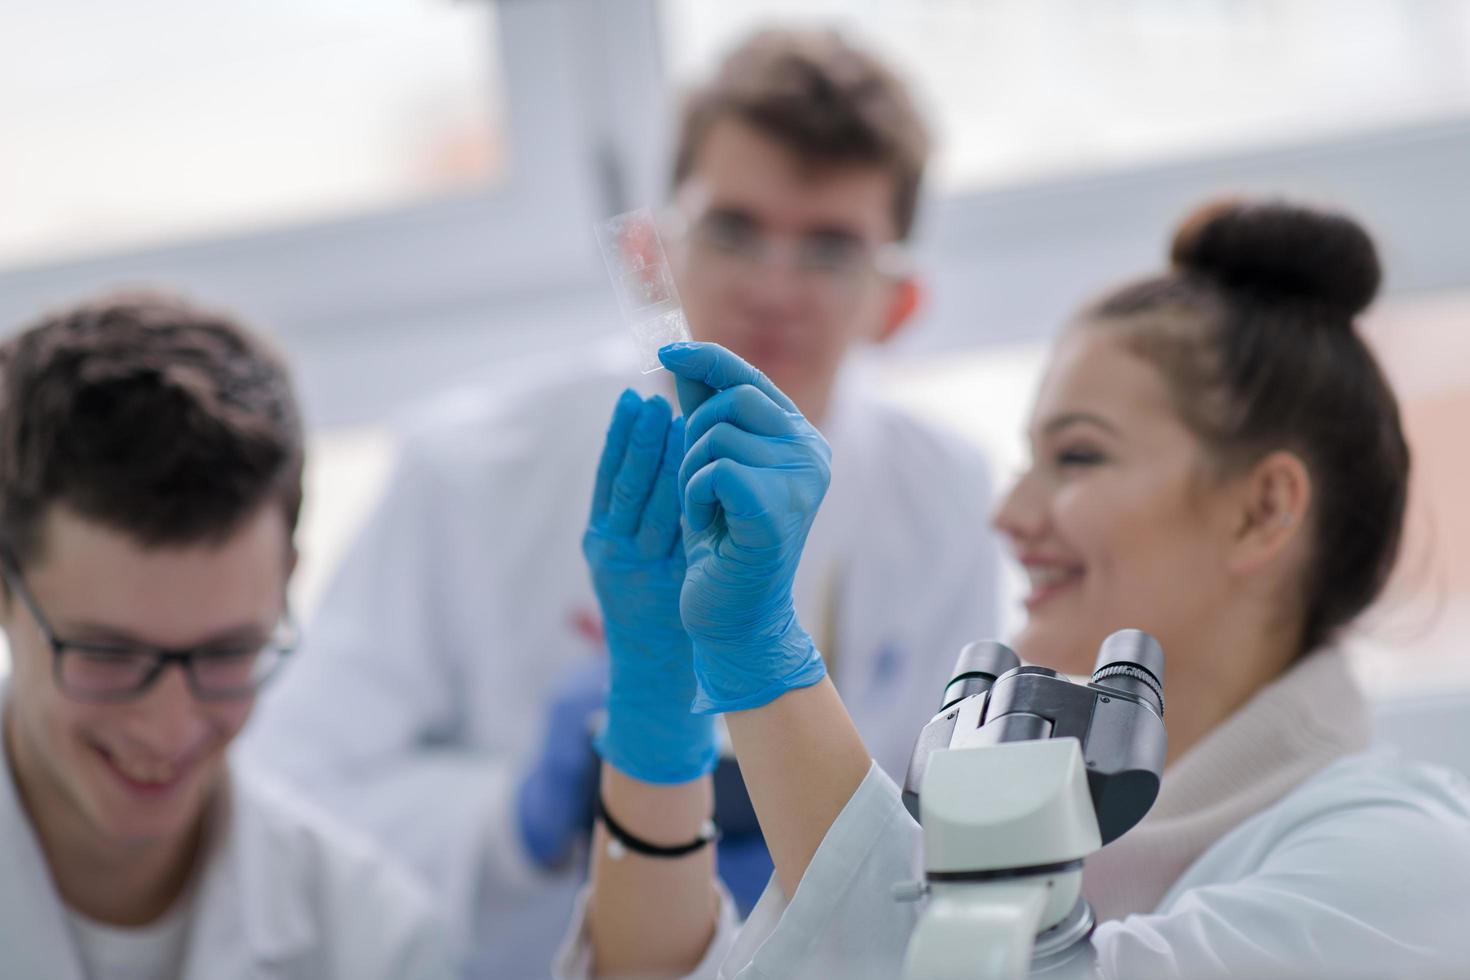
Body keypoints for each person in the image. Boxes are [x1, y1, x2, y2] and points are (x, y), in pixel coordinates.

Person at [243, 26, 1003, 978]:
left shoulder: (946, 496)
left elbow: (976, 843)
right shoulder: (470, 468)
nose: (773, 285)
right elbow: (286, 792)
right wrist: (514, 819)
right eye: (734, 229)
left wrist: (837, 843)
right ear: (659, 247)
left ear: (899, 302)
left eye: (830, 250)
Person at [559, 199, 1470, 979]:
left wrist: (761, 655)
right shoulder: (1025, 836)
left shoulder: (1404, 862)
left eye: (1077, 456)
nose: (1009, 515)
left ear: (1263, 509)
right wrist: (658, 718)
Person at [0, 294, 450, 979]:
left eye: (227, 652)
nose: (168, 724)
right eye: (108, 654)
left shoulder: (374, 942)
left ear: (286, 583)